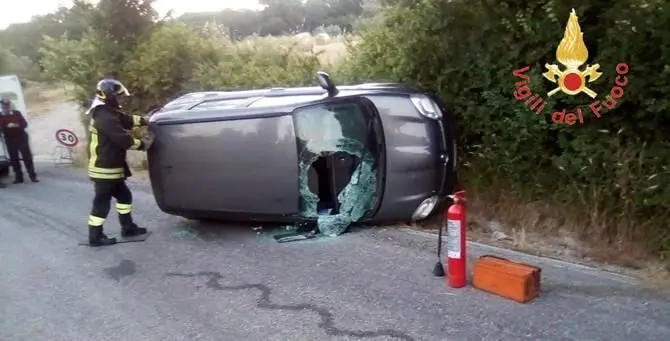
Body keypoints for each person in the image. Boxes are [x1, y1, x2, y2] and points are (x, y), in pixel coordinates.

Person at [86, 78, 154, 246]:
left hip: (110, 167)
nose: (120, 99)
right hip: (104, 168)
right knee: (101, 203)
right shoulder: (104, 116)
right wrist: (143, 144)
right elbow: (122, 140)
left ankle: (128, 228)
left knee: (124, 196)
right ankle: (95, 237)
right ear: (108, 95)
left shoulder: (108, 111)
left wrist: (146, 120)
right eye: (117, 96)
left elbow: (127, 120)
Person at [0, 98, 38, 183]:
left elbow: (24, 124)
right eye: (4, 106)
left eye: (7, 106)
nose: (5, 108)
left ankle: (32, 176)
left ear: (10, 106)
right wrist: (6, 126)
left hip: (21, 138)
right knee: (14, 159)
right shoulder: (0, 116)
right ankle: (19, 178)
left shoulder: (17, 113)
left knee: (27, 157)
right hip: (10, 140)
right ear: (2, 107)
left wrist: (16, 125)